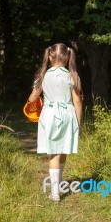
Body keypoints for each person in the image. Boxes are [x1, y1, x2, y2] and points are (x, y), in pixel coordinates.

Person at [28, 43, 83, 201]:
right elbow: (78, 101)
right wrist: (78, 124)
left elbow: (32, 98)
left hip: (50, 114)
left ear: (50, 56)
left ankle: (55, 192)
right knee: (63, 149)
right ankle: (58, 185)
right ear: (67, 57)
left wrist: (36, 91)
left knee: (53, 153)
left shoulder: (42, 76)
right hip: (67, 114)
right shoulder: (73, 76)